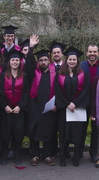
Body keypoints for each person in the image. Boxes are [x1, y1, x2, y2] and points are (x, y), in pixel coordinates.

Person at [55, 46, 90, 167]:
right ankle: (62, 157)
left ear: (77, 61)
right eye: (70, 59)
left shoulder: (83, 74)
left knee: (77, 134)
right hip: (64, 109)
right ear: (66, 60)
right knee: (63, 133)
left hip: (77, 109)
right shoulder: (59, 74)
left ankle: (76, 157)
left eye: (74, 59)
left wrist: (75, 103)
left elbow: (86, 91)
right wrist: (66, 103)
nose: (72, 61)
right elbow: (57, 91)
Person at [26, 34, 57, 166]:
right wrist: (31, 48)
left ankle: (47, 155)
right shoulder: (34, 72)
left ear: (48, 60)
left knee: (48, 131)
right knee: (34, 130)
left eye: (45, 60)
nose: (43, 62)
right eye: (40, 60)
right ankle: (34, 155)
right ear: (38, 62)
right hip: (34, 106)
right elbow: (28, 63)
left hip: (49, 107)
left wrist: (55, 104)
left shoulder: (54, 73)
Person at [0, 49, 28, 165]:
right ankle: (4, 156)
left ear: (20, 62)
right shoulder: (2, 76)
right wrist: (4, 106)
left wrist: (20, 106)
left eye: (17, 60)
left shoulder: (24, 76)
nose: (15, 62)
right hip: (6, 111)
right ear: (9, 62)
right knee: (5, 134)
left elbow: (26, 93)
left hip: (18, 111)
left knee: (18, 134)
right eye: (13, 60)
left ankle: (17, 155)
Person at [80, 44, 99, 162]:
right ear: (86, 53)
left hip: (98, 103)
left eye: (94, 52)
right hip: (83, 102)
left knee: (96, 129)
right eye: (90, 51)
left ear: (98, 53)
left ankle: (94, 153)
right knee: (81, 128)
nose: (92, 54)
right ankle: (79, 151)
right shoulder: (81, 66)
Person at [49, 41, 67, 158]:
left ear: (62, 54)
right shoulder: (48, 67)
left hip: (64, 103)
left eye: (58, 52)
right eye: (54, 53)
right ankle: (53, 150)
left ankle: (64, 151)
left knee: (63, 129)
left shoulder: (67, 66)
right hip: (51, 103)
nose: (56, 54)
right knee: (52, 128)